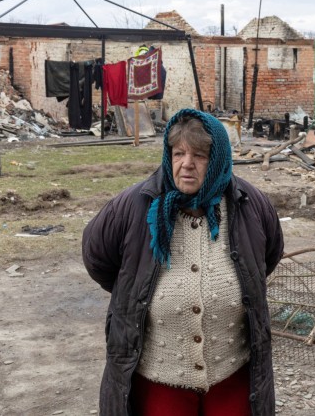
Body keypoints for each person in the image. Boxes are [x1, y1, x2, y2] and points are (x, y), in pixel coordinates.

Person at [82, 108, 284, 416]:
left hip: (232, 374)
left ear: (217, 161)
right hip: (160, 378)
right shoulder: (133, 206)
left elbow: (265, 260)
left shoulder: (250, 204)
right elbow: (98, 258)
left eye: (200, 156)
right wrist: (138, 292)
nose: (186, 164)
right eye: (178, 153)